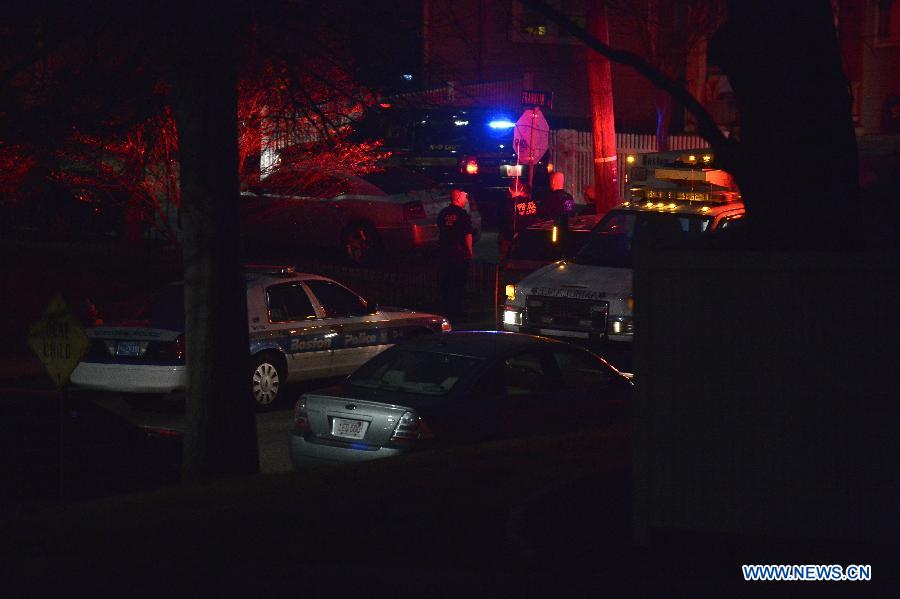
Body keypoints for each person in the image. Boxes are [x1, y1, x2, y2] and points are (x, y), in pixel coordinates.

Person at [437, 188, 473, 321]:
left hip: (445, 253)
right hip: (459, 254)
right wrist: (469, 251)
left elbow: (440, 229)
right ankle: (457, 309)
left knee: (446, 281)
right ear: (458, 198)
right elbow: (467, 234)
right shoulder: (463, 214)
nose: (466, 200)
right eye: (464, 198)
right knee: (459, 282)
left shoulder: (443, 213)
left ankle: (447, 308)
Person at [497, 180, 534, 261]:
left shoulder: (505, 204)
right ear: (521, 189)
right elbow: (533, 220)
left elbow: (502, 222)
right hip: (526, 238)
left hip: (508, 239)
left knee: (506, 263)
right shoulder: (530, 203)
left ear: (510, 189)